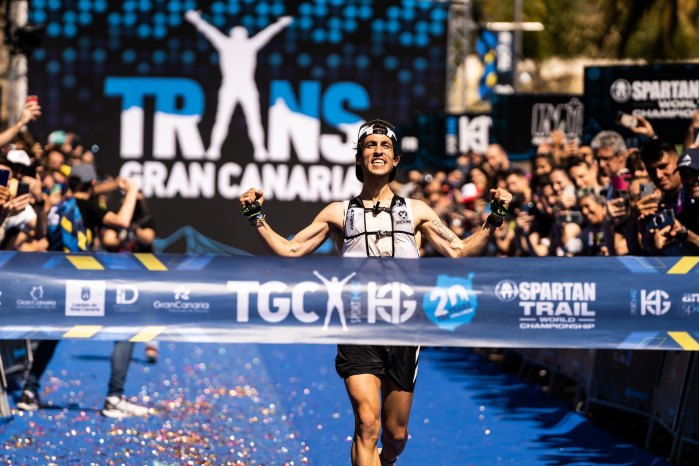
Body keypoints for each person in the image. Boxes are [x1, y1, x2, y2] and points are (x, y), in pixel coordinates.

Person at [239, 119, 512, 466]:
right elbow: (290, 250)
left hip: (404, 328)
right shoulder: (338, 212)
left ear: (396, 159)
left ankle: (387, 460)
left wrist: (495, 217)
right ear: (359, 157)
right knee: (367, 423)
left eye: (385, 146)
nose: (378, 151)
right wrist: (255, 215)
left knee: (395, 436)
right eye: (370, 145)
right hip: (358, 325)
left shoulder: (417, 210)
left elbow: (459, 251)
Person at [17, 163, 148, 419]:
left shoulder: (56, 207)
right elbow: (122, 222)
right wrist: (132, 190)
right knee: (126, 329)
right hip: (82, 286)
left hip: (55, 283)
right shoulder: (88, 206)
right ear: (92, 184)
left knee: (52, 334)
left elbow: (41, 238)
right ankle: (114, 397)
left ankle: (29, 392)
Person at [185, 10, 292, 159]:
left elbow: (267, 34)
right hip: (230, 86)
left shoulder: (250, 45)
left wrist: (281, 24)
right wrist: (196, 20)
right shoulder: (226, 44)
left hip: (247, 87)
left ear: (245, 36)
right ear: (232, 35)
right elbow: (209, 31)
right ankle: (214, 149)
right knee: (222, 119)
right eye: (237, 33)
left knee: (254, 120)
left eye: (242, 34)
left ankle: (260, 150)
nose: (239, 36)